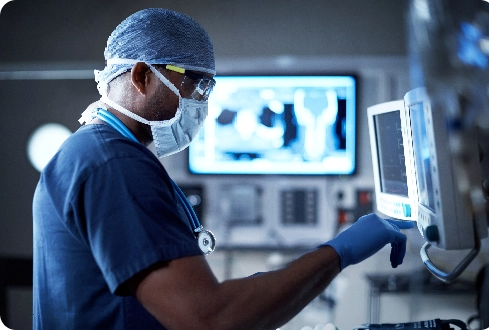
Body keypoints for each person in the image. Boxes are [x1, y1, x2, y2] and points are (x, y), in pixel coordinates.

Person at [32, 8, 412, 330]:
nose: (201, 103)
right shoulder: (115, 164)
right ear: (142, 76)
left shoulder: (90, 153)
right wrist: (341, 250)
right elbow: (210, 320)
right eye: (194, 85)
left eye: (208, 89)